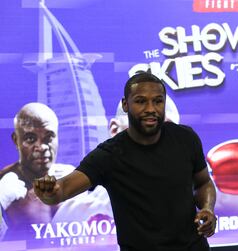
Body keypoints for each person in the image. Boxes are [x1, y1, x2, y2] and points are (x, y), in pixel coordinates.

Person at [33, 72, 217, 251]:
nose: (151, 109)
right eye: (140, 101)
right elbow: (62, 190)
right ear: (125, 104)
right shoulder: (109, 155)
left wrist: (207, 208)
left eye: (158, 101)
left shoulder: (185, 138)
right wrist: (49, 192)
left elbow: (203, 182)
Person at [0, 102, 77, 240]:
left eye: (49, 137)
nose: (41, 147)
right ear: (16, 140)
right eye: (30, 138)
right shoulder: (4, 184)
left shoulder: (72, 177)